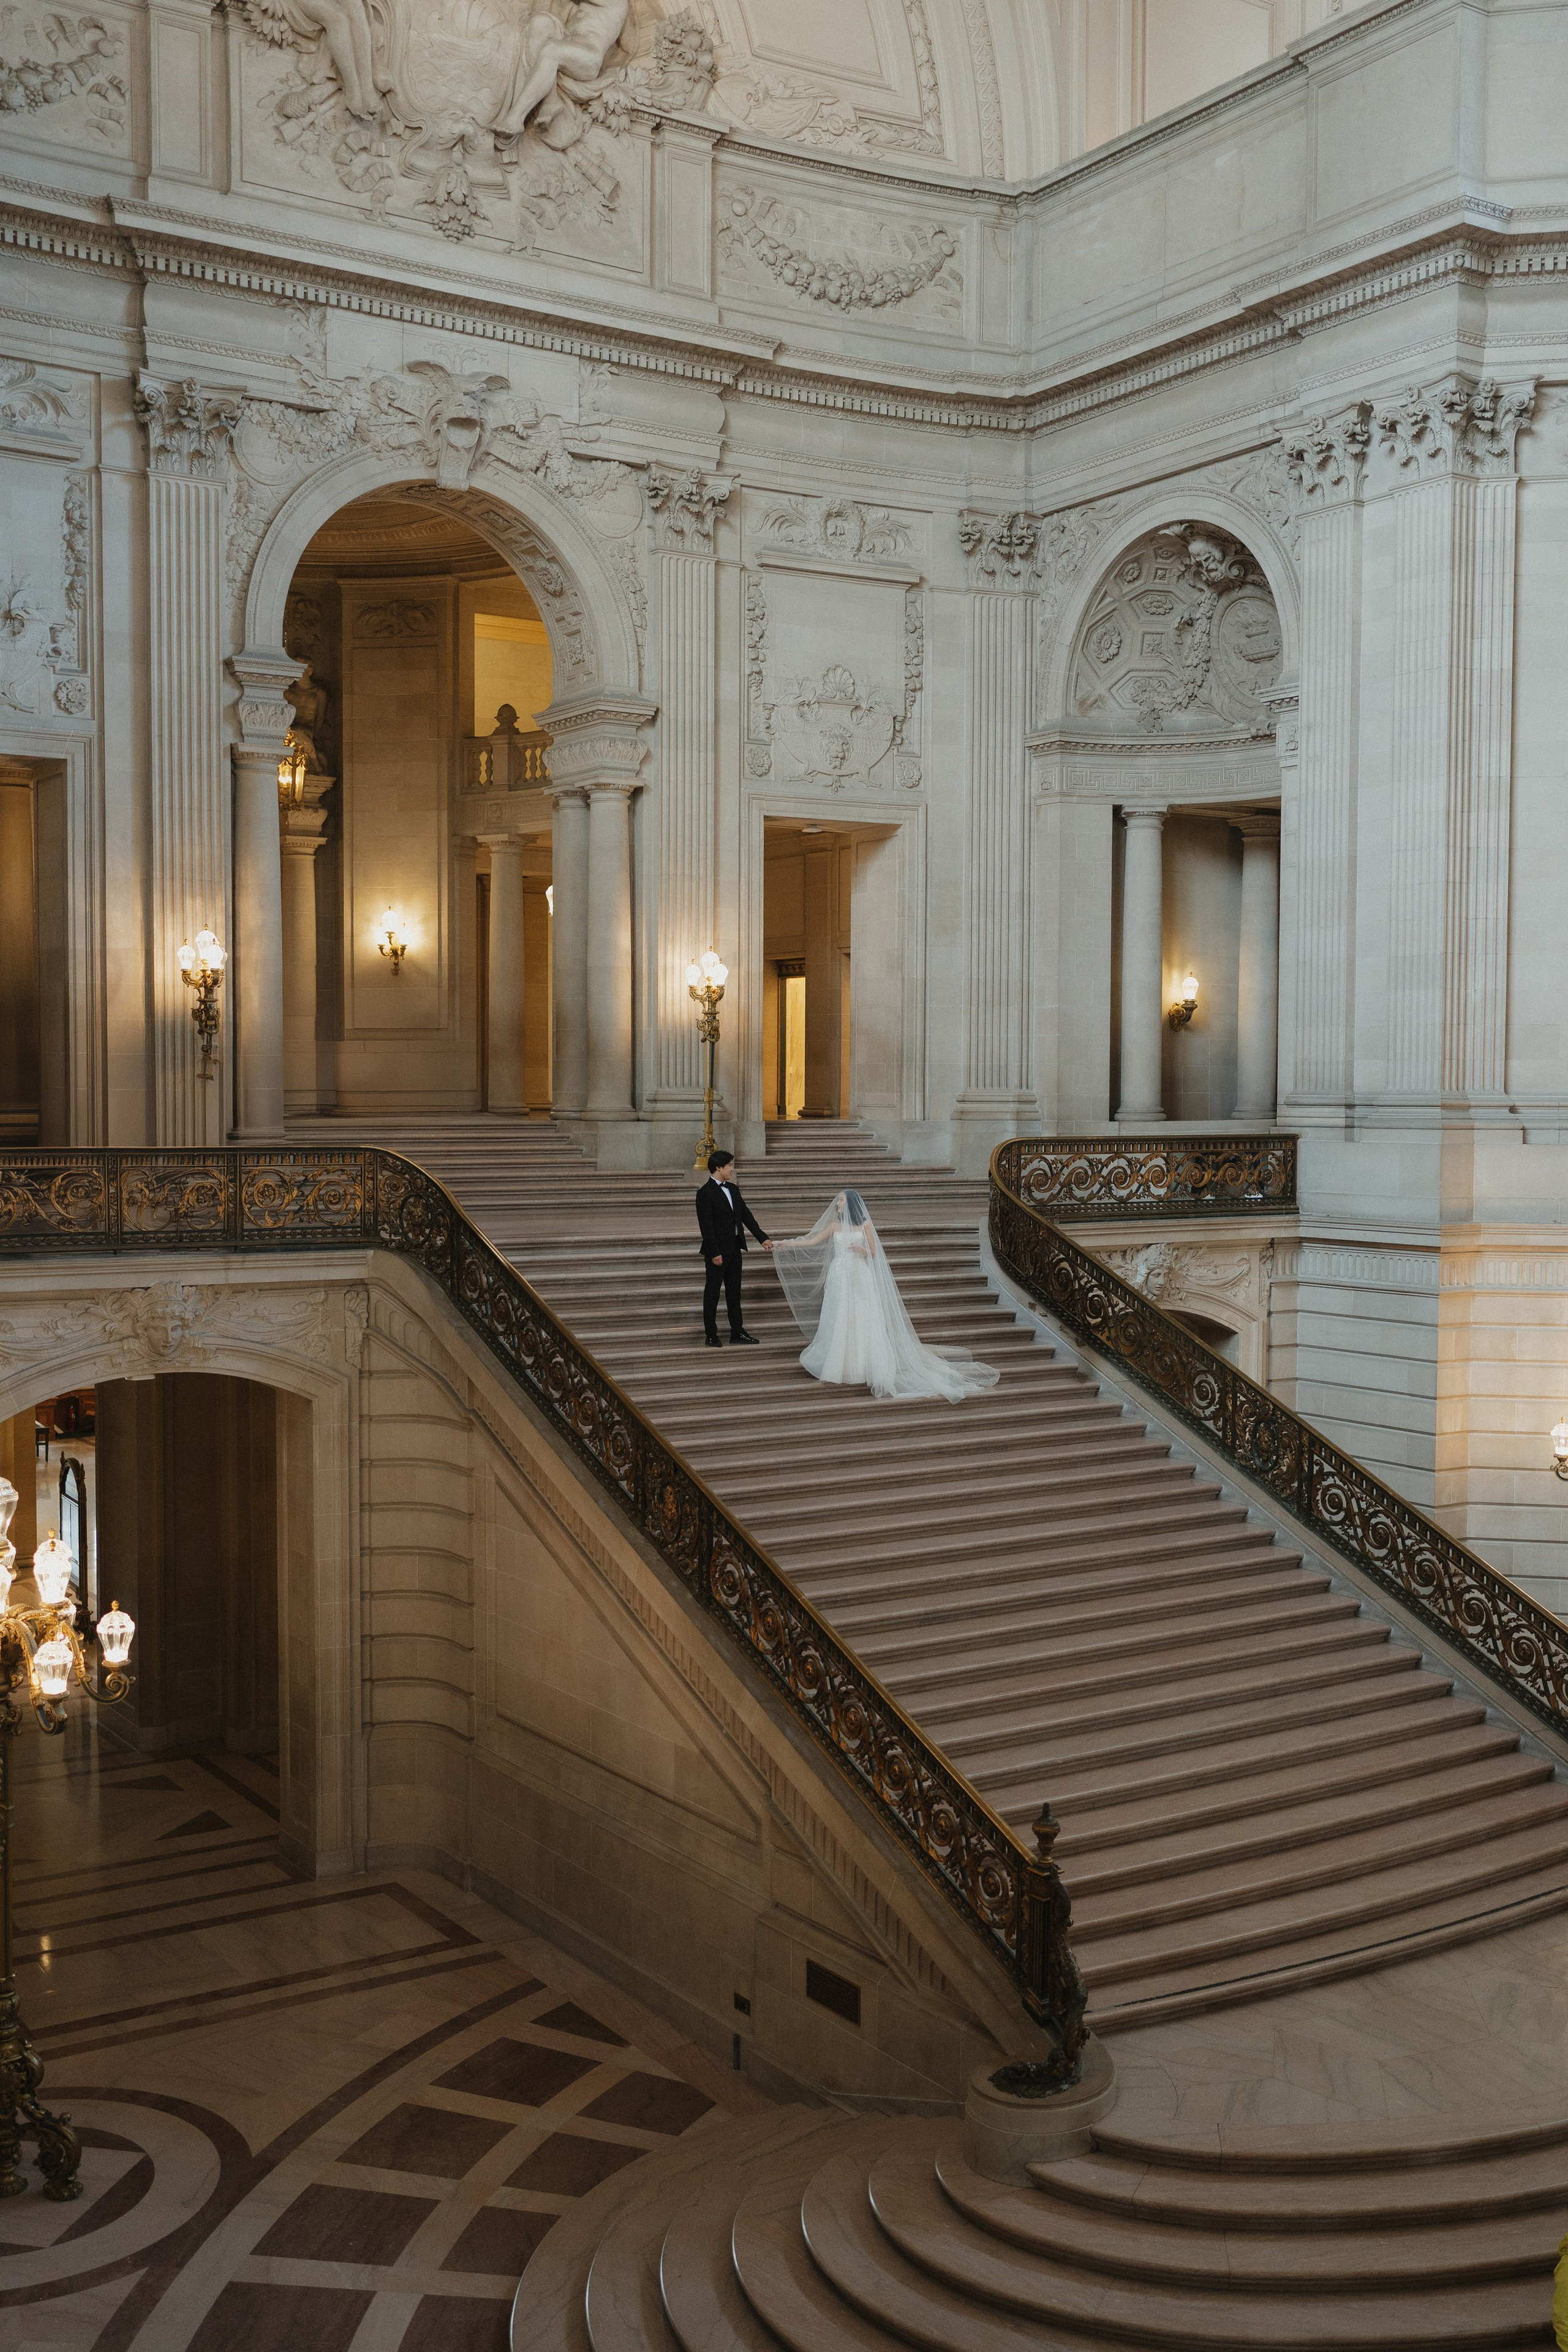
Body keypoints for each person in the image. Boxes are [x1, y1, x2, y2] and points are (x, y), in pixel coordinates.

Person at [772, 1190, 999, 1402]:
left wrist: (862, 1251)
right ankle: (840, 1364)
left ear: (850, 1203)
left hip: (859, 1276)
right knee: (839, 1319)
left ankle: (864, 1365)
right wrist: (784, 1244)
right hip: (839, 1276)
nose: (838, 1204)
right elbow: (811, 1240)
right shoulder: (834, 1226)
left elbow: (874, 1253)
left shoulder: (865, 1226)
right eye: (838, 1200)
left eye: (841, 1200)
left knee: (862, 1320)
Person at [695, 1151, 772, 1348]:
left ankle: (737, 1331)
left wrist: (762, 1238)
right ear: (718, 1167)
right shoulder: (705, 1193)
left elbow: (747, 1216)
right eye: (729, 1165)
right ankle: (711, 1334)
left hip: (735, 1249)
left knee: (734, 1293)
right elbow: (707, 1227)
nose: (732, 1169)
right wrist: (714, 1253)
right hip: (717, 1252)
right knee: (712, 1293)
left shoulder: (734, 1189)